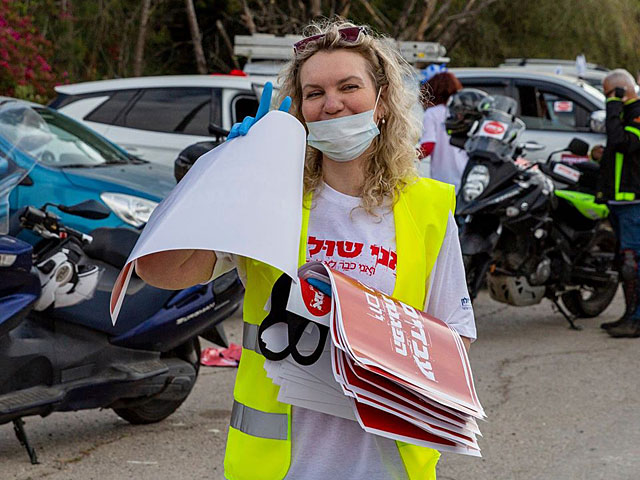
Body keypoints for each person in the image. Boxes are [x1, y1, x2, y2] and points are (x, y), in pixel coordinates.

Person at [135, 20, 476, 480]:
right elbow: (161, 270)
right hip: (279, 468)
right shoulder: (269, 199)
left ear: (381, 103)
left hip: (388, 463)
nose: (331, 103)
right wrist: (226, 175)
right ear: (299, 111)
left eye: (348, 86)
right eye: (314, 93)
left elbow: (455, 338)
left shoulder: (428, 206)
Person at [596, 68, 640, 338]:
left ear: (620, 91)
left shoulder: (636, 113)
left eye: (607, 93)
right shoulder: (627, 114)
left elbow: (621, 142)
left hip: (633, 202)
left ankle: (636, 320)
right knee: (626, 261)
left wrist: (613, 105)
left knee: (632, 261)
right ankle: (629, 315)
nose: (606, 99)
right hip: (619, 202)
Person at [419, 71, 468, 193]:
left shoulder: (432, 113)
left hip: (444, 177)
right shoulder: (463, 113)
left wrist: (407, 157)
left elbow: (428, 146)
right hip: (465, 173)